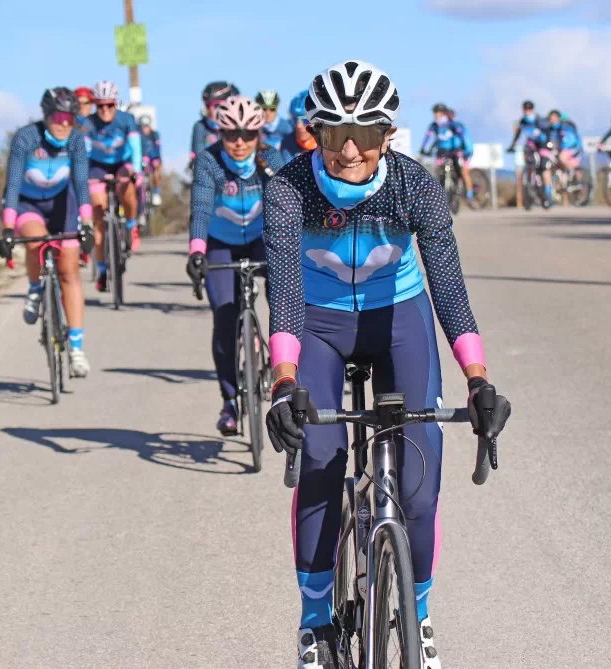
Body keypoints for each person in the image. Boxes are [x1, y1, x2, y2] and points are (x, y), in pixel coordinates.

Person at [260, 62, 511, 669]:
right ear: (312, 132)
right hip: (318, 323)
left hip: (399, 316)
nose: (350, 149)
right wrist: (284, 380)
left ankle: (417, 612)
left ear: (388, 136)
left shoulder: (415, 186)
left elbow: (447, 286)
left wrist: (478, 378)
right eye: (334, 132)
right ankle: (316, 620)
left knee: (420, 487)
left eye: (366, 134)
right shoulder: (287, 188)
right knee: (321, 459)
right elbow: (286, 292)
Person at [186, 96, 285, 435]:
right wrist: (197, 251)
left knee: (284, 300)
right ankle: (229, 401)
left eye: (247, 134)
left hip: (262, 238)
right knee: (225, 316)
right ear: (220, 133)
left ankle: (283, 367)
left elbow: (290, 208)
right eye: (230, 135)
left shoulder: (272, 158)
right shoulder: (209, 161)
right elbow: (200, 207)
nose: (239, 143)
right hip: (221, 242)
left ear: (259, 132)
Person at [0, 87, 94, 378]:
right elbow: (13, 185)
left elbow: (81, 184)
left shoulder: (76, 141)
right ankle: (35, 287)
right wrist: (6, 229)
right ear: (47, 115)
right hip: (29, 203)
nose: (65, 123)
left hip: (63, 204)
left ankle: (76, 349)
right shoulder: (27, 138)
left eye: (71, 117)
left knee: (69, 270)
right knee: (36, 240)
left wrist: (87, 224)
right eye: (59, 116)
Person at [80, 80, 144, 284]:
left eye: (109, 105)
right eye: (100, 105)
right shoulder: (88, 123)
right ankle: (100, 268)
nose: (105, 110)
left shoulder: (126, 120)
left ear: (116, 104)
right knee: (98, 217)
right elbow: (84, 151)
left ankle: (132, 225)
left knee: (127, 184)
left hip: (122, 162)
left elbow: (136, 146)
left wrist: (137, 171)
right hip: (97, 165)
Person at [421, 103, 474, 200]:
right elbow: (427, 138)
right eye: (435, 113)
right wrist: (423, 149)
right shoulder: (434, 126)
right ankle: (441, 191)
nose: (435, 115)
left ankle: (467, 190)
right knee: (439, 170)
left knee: (462, 171)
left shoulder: (452, 124)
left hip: (455, 150)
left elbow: (462, 137)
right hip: (442, 151)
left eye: (438, 113)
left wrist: (465, 148)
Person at [506, 99, 552, 207]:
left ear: (533, 109)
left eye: (529, 108)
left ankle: (548, 193)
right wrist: (512, 146)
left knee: (544, 167)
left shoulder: (539, 120)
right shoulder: (523, 121)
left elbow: (547, 131)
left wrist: (548, 143)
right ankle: (529, 187)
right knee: (529, 162)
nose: (527, 111)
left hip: (542, 144)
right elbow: (518, 134)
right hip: (530, 144)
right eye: (525, 109)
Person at [191, 81, 239, 161]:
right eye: (208, 105)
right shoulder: (200, 126)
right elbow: (199, 158)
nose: (212, 110)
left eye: (217, 105)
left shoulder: (238, 126)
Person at [279, 90, 318, 162]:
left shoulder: (331, 143)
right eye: (294, 119)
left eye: (305, 120)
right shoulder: (287, 143)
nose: (298, 125)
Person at [139, 114, 164, 206]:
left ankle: (156, 192)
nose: (145, 128)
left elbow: (158, 149)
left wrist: (158, 160)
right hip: (142, 159)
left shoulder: (155, 135)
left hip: (153, 158)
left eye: (147, 126)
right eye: (143, 126)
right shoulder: (138, 135)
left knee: (156, 172)